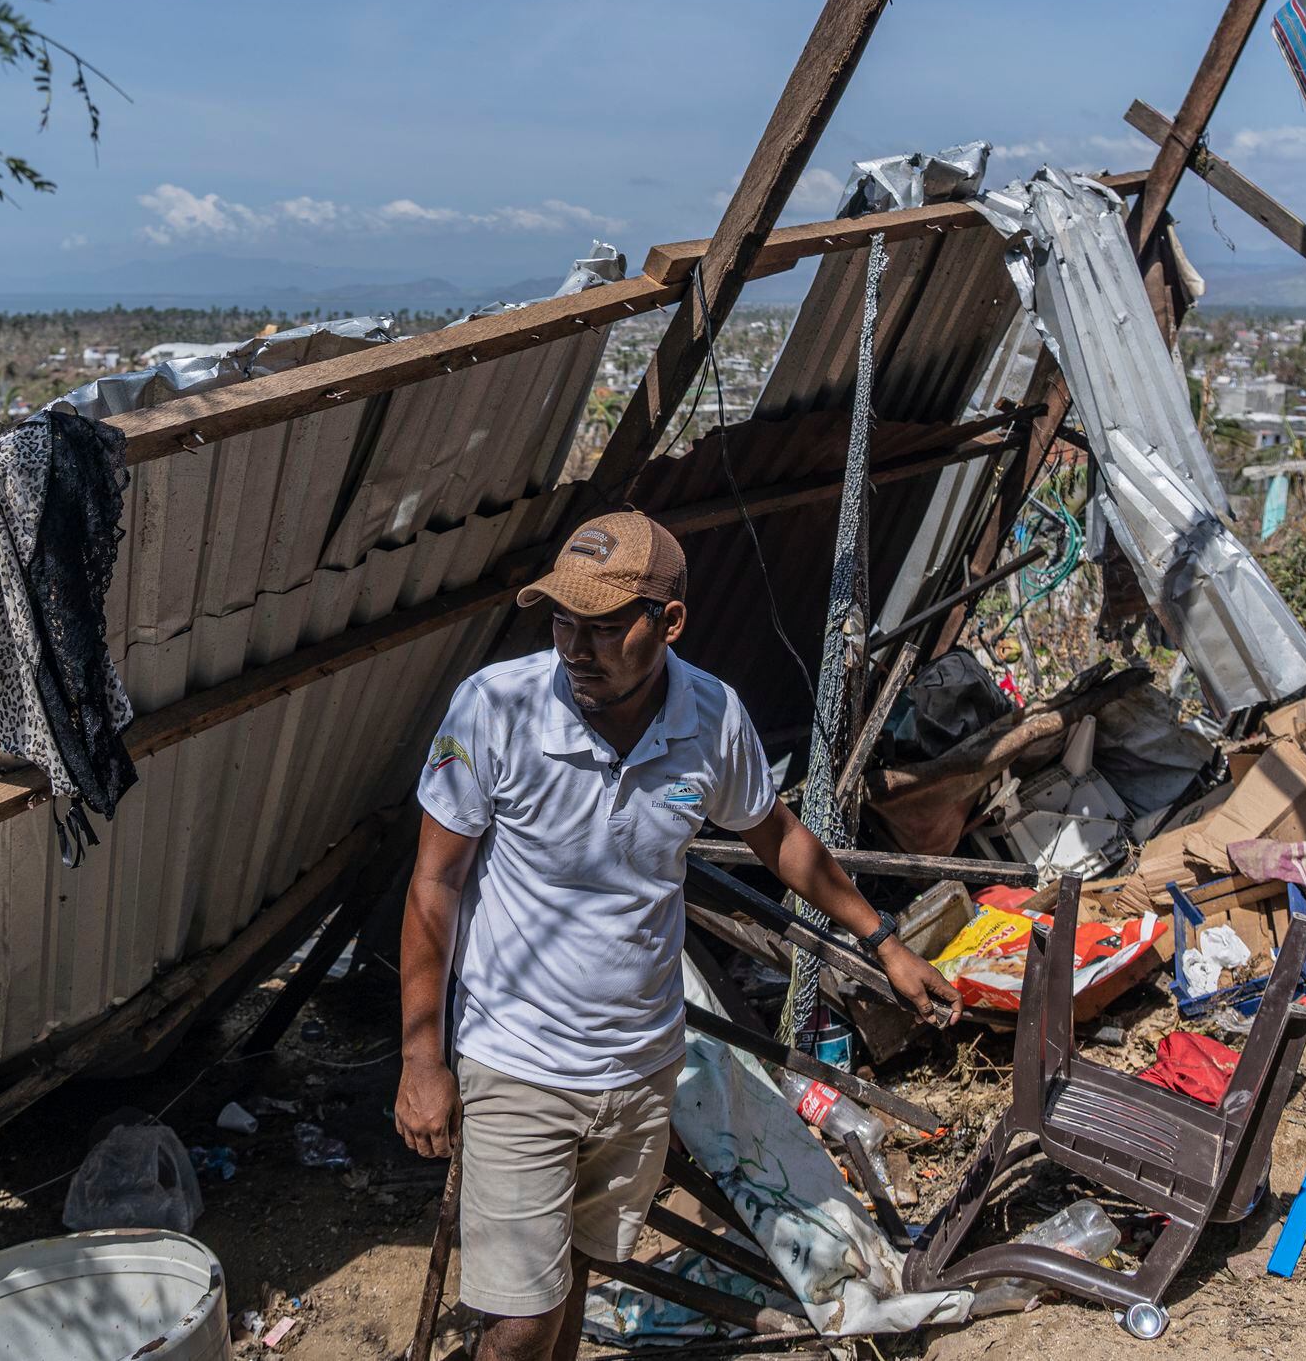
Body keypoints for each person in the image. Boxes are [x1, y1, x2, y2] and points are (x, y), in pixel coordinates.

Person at [395, 512, 961, 1361]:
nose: (574, 647)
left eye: (602, 625)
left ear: (670, 622)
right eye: (561, 621)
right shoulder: (496, 710)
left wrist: (883, 940)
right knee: (519, 1320)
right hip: (517, 1063)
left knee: (581, 1273)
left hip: (639, 1064)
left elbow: (780, 840)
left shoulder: (708, 718)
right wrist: (421, 1059)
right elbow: (434, 883)